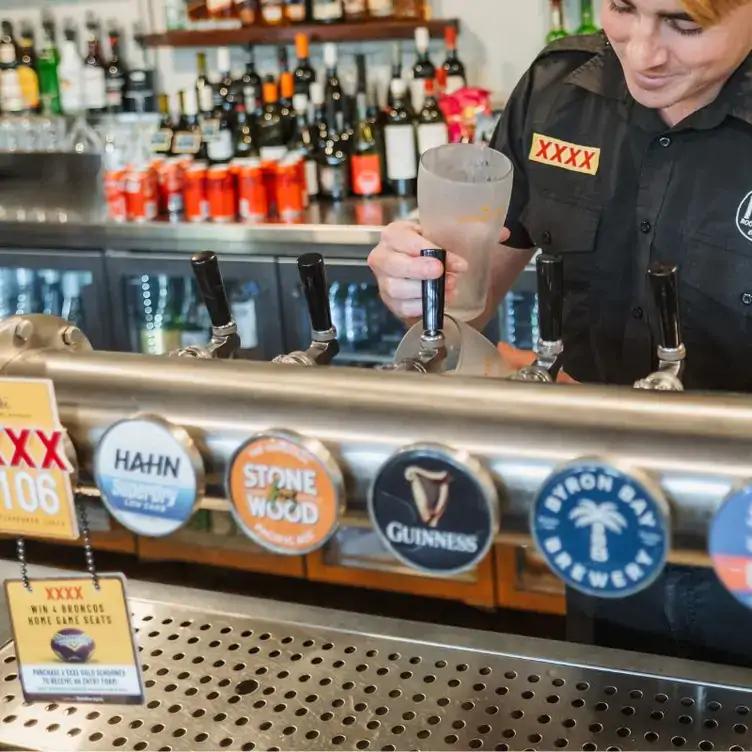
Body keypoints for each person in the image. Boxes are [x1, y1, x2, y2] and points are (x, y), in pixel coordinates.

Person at [368, 0, 752, 666]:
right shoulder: (558, 91)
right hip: (596, 531)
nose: (643, 53)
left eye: (684, 25)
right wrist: (418, 286)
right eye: (623, 8)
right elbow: (467, 308)